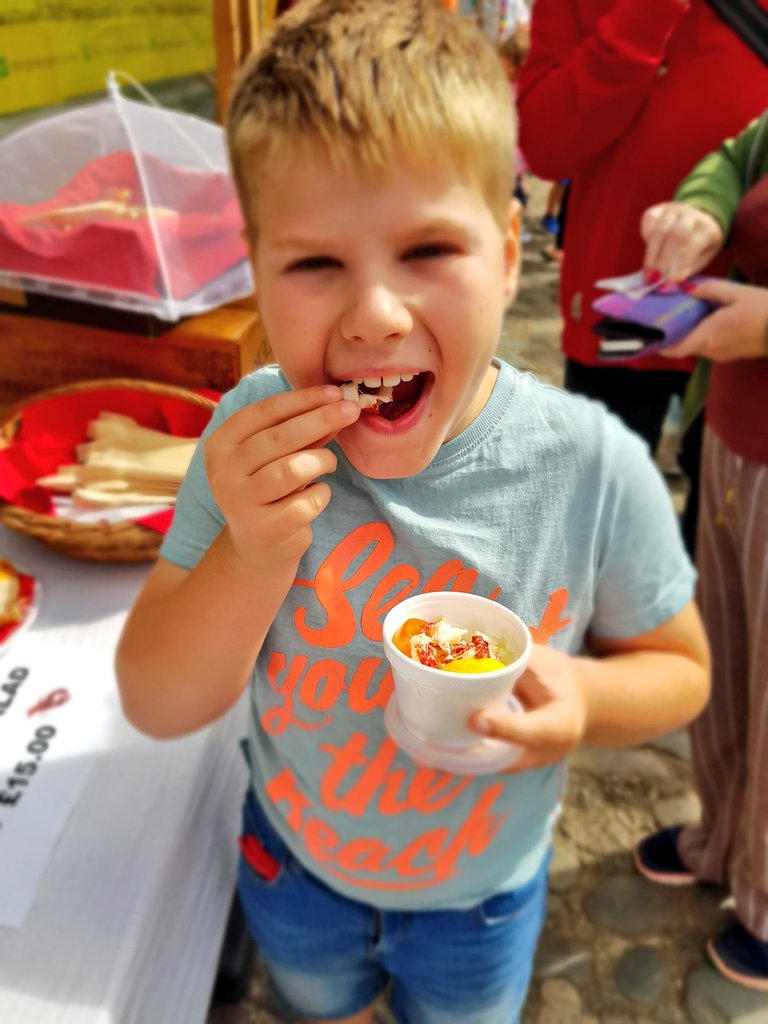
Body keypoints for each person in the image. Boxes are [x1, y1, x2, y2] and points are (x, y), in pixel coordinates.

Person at [115, 3, 710, 1022]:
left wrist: (581, 700)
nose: (376, 313)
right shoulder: (251, 439)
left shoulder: (589, 462)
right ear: (257, 269)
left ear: (511, 254)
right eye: (314, 264)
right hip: (296, 870)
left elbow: (683, 672)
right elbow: (157, 701)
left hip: (480, 902)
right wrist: (254, 552)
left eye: (428, 249)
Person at [517, 0, 768, 556]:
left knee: (723, 550)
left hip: (750, 319)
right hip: (623, 315)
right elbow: (546, 145)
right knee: (598, 539)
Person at [634, 112, 768, 991]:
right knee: (726, 655)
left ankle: (765, 900)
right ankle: (720, 841)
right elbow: (735, 154)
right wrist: (703, 212)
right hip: (734, 430)